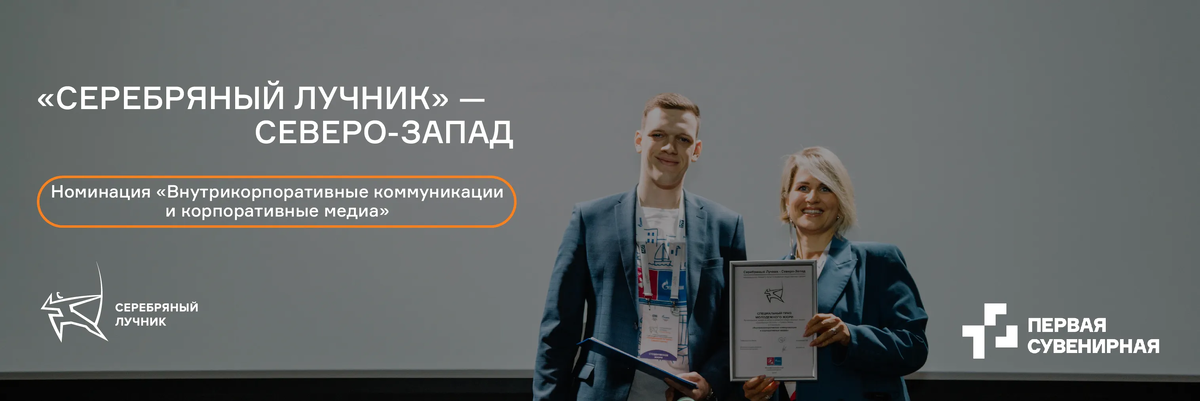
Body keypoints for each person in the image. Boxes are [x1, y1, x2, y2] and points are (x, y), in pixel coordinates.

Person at [533, 93, 748, 401]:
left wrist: (711, 382)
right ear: (638, 140)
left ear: (696, 150)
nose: (670, 147)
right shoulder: (590, 219)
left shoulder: (726, 225)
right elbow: (558, 330)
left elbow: (736, 329)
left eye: (683, 139)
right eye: (658, 135)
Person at [741, 146, 929, 401]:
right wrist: (759, 392)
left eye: (825, 188)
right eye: (803, 187)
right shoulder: (767, 278)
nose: (812, 198)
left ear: (840, 202)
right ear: (787, 200)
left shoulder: (879, 260)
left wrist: (851, 335)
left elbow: (915, 347)